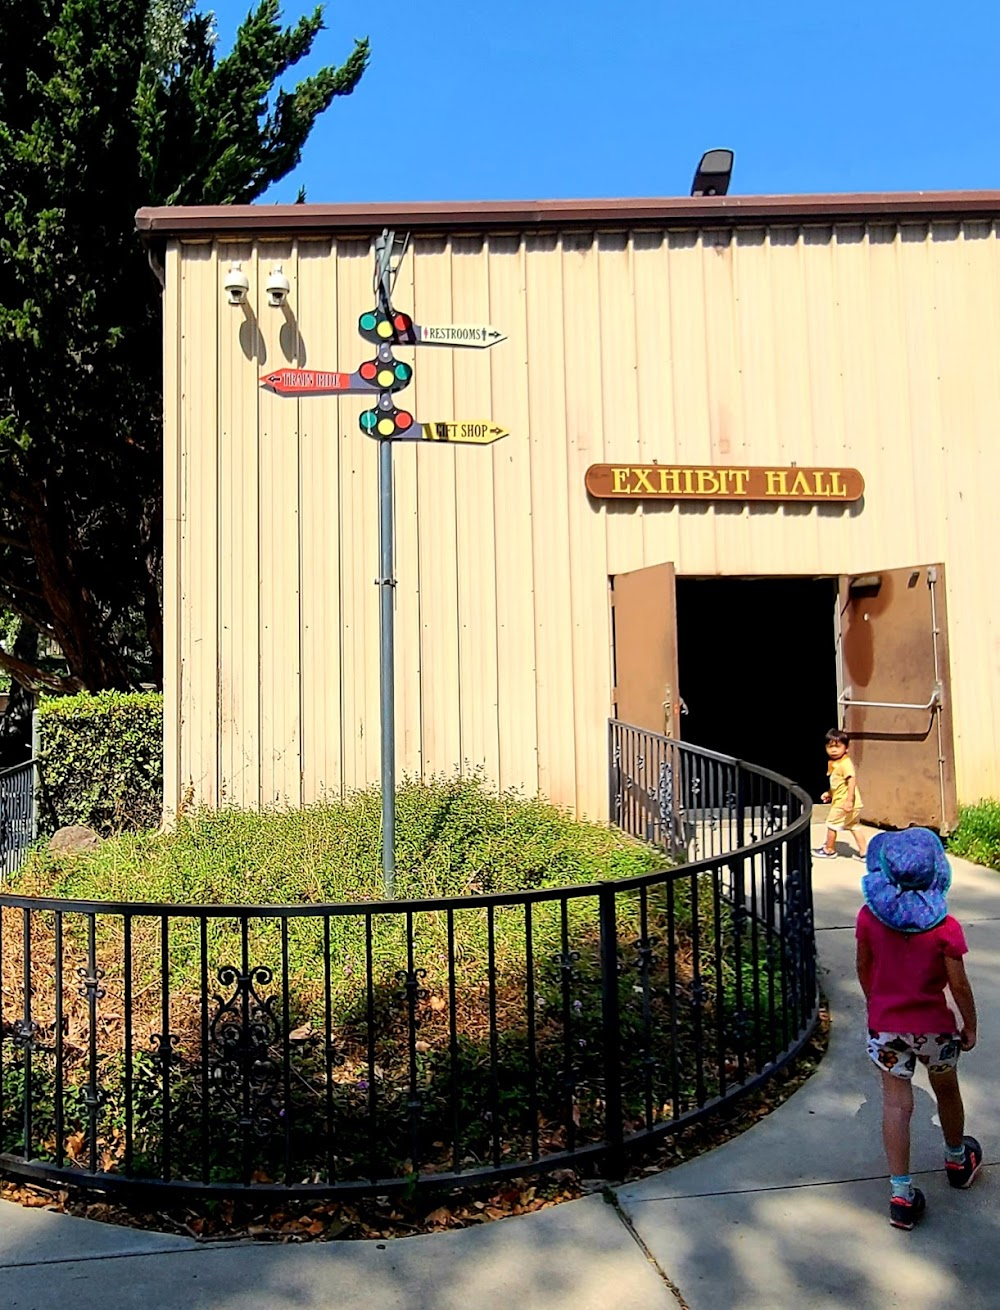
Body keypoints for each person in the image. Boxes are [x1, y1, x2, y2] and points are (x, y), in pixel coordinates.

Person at [856, 827, 982, 1229]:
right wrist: (970, 1025)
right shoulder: (946, 928)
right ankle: (958, 1160)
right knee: (947, 1092)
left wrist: (873, 1001)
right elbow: (958, 984)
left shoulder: (868, 919)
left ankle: (901, 1194)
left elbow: (864, 966)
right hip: (935, 1032)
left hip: (886, 1028)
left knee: (896, 1106)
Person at [814, 727, 866, 859]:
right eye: (830, 746)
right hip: (846, 801)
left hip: (844, 803)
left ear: (846, 748)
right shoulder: (835, 764)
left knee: (831, 824)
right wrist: (829, 793)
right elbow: (838, 784)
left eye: (837, 746)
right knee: (853, 826)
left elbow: (851, 781)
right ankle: (864, 853)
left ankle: (829, 849)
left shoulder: (845, 764)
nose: (833, 750)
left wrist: (849, 800)